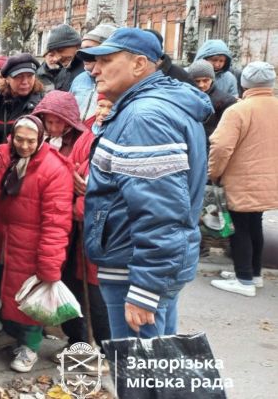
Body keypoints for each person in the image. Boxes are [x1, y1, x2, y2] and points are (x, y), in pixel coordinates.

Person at [79, 27, 212, 339]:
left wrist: (144, 288)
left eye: (106, 60)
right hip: (143, 263)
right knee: (156, 358)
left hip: (133, 268)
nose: (95, 70)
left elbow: (161, 211)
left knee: (140, 366)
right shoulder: (152, 106)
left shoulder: (144, 117)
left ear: (139, 64)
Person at [0, 116, 73, 372]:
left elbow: (56, 221)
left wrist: (50, 263)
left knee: (31, 298)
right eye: (19, 139)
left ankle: (30, 346)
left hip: (32, 245)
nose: (24, 146)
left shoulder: (54, 168)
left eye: (31, 141)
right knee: (1, 290)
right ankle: (10, 332)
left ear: (40, 140)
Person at [208, 62, 278, 297]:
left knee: (239, 228)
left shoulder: (239, 110)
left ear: (244, 83)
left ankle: (244, 279)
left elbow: (220, 147)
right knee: (255, 224)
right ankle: (254, 274)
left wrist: (214, 173)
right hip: (269, 179)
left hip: (242, 179)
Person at [57, 93, 114, 358]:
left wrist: (86, 193)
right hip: (75, 223)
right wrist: (74, 176)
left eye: (109, 106)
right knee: (72, 284)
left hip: (101, 227)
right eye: (101, 105)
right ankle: (77, 341)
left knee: (96, 290)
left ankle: (105, 347)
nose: (103, 111)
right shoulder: (88, 132)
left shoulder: (120, 136)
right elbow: (71, 167)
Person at [0, 54, 46, 144]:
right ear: (7, 79)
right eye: (18, 76)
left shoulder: (43, 104)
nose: (25, 82)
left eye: (30, 76)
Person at [69, 23, 117, 120]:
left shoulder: (119, 83)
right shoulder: (79, 79)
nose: (84, 55)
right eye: (82, 50)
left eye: (90, 49)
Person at [186, 60, 237, 141]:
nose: (201, 85)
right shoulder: (184, 97)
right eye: (197, 81)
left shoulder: (226, 101)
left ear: (212, 79)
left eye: (205, 80)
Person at [33, 90, 86, 157]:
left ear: (68, 122)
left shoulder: (81, 141)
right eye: (49, 122)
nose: (53, 128)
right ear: (43, 118)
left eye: (58, 122)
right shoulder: (35, 135)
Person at [44, 24, 84, 91]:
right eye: (54, 53)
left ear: (77, 46)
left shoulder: (90, 70)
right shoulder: (61, 72)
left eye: (61, 50)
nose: (57, 58)